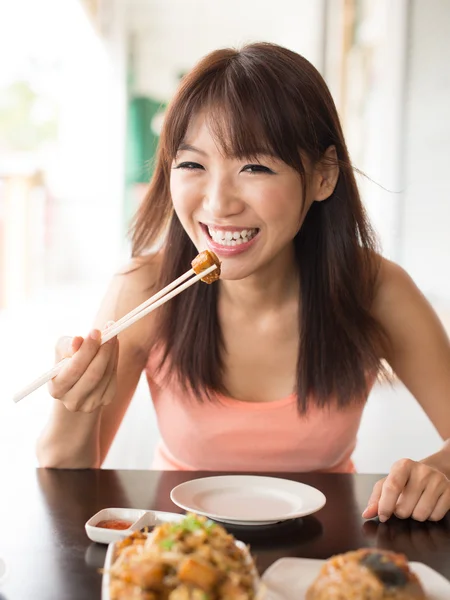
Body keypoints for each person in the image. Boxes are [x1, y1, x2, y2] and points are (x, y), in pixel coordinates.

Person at [37, 42, 450, 524]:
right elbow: (64, 477)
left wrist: (439, 470)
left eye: (254, 166)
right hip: (181, 555)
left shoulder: (375, 289)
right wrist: (74, 400)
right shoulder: (145, 291)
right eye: (192, 164)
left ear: (323, 176)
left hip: (325, 562)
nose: (217, 203)